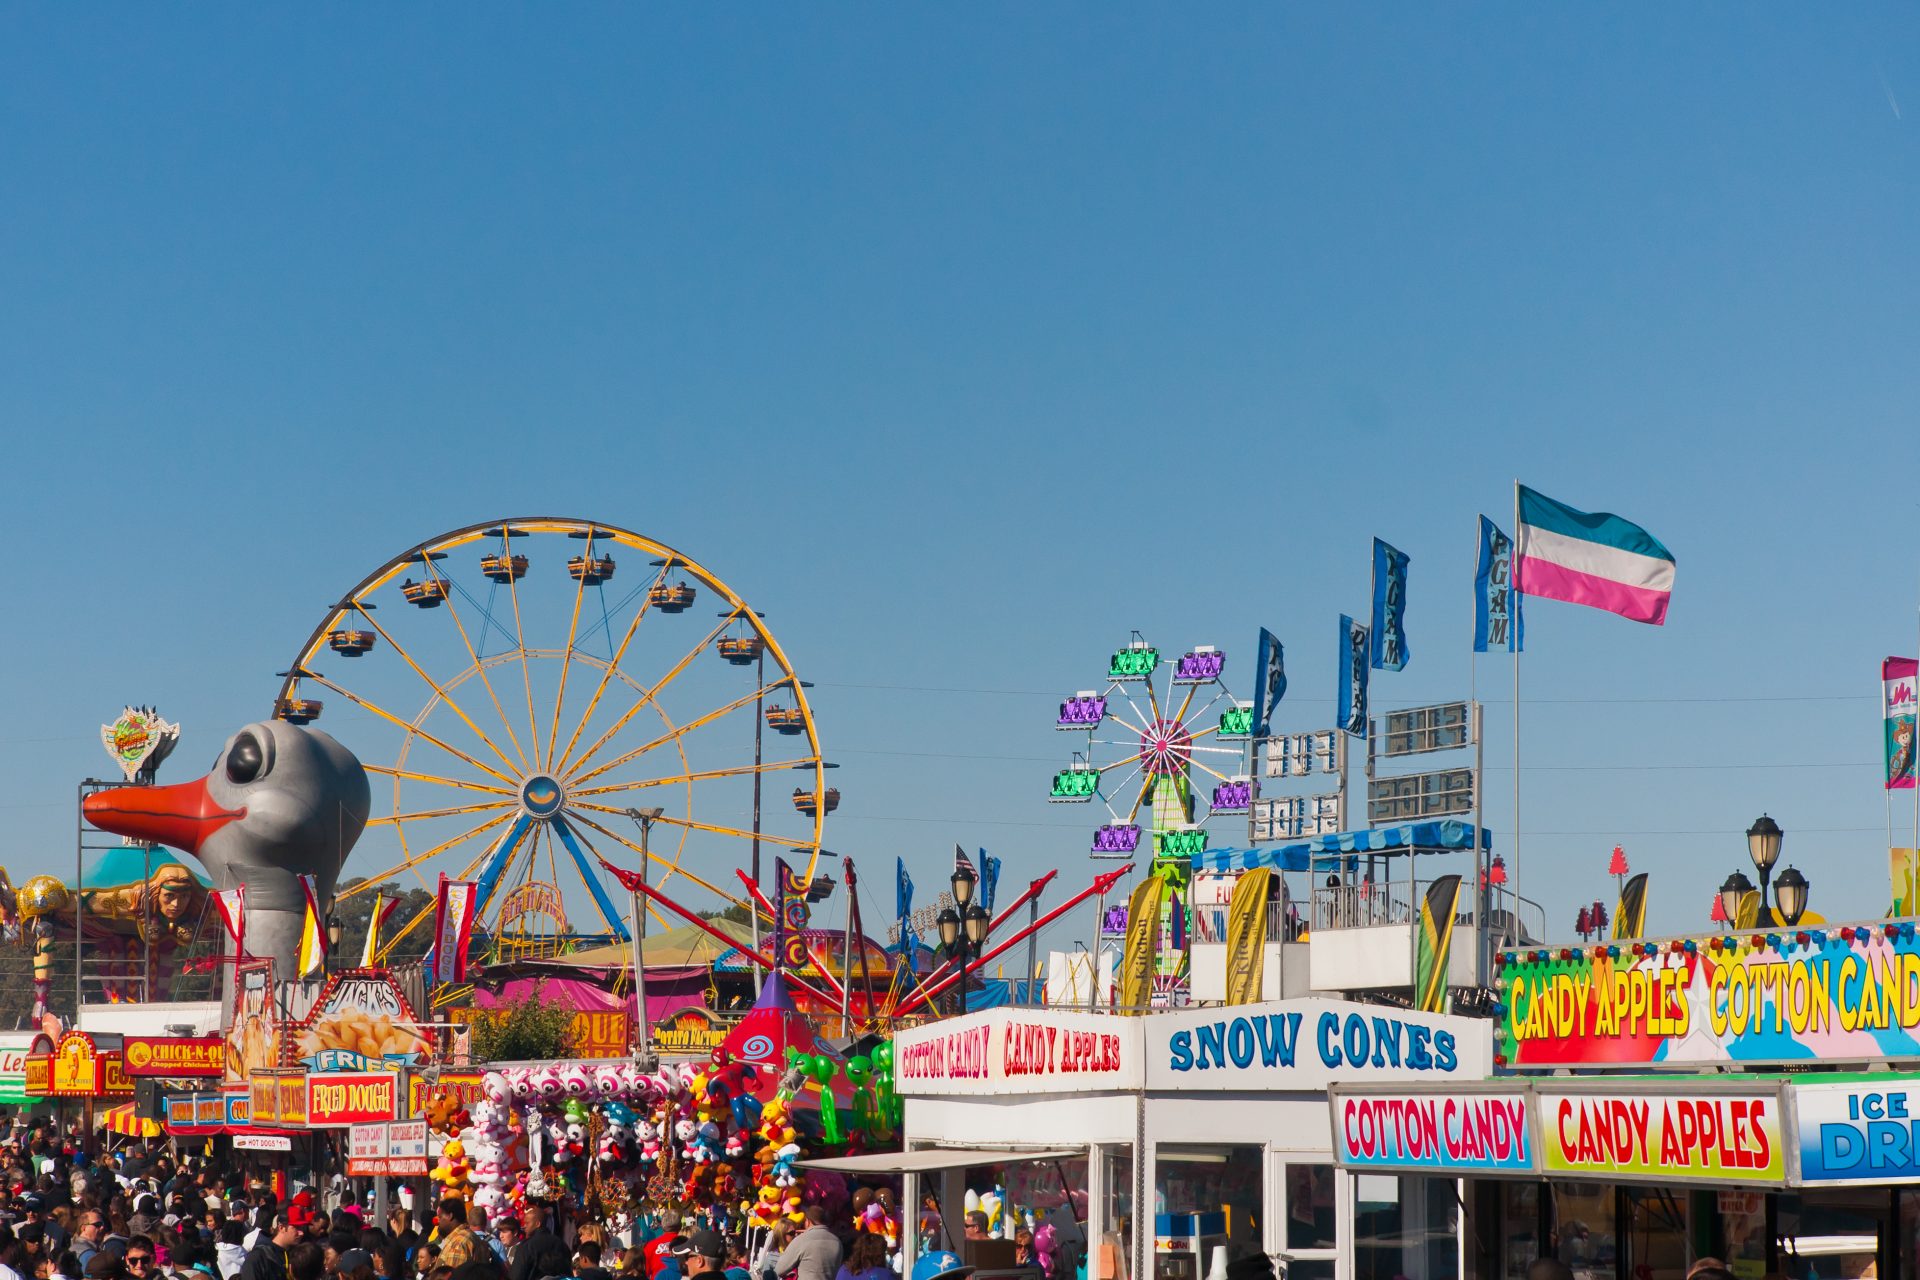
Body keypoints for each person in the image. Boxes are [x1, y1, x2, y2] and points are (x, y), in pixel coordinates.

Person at [771, 1207, 841, 1280]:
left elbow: (779, 1269)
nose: (796, 1234)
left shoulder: (802, 1239)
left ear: (808, 1221)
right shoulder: (837, 1242)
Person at [240, 1215, 300, 1280]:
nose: (301, 1233)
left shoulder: (297, 1254)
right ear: (281, 1228)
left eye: (302, 1228)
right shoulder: (258, 1257)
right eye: (296, 1228)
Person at [431, 1206, 479, 1274]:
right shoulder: (468, 1236)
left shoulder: (458, 1243)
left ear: (450, 1216)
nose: (438, 1221)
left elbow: (451, 1276)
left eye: (440, 1217)